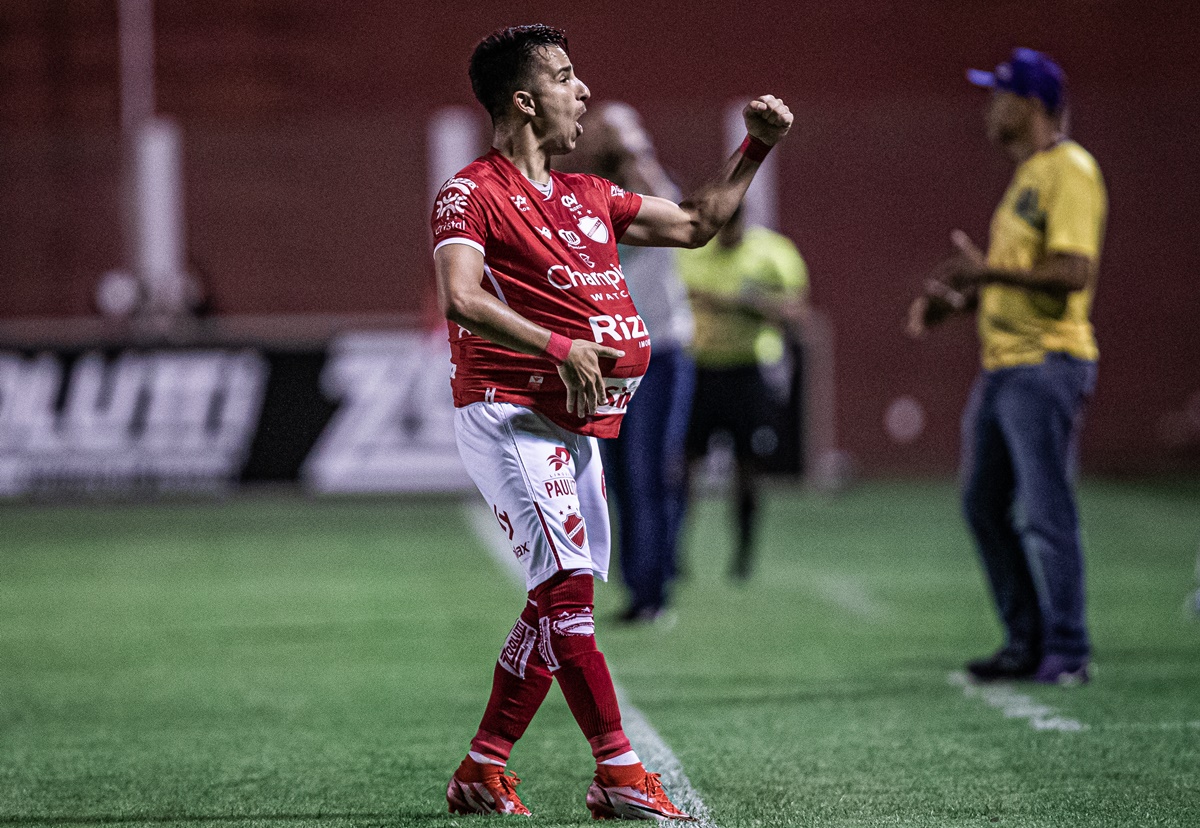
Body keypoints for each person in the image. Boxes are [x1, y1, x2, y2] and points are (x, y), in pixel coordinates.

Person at [431, 24, 791, 819]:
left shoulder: (587, 196)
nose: (583, 90)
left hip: (578, 425)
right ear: (525, 101)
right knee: (566, 597)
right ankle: (619, 771)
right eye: (565, 76)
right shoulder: (471, 192)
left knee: (554, 602)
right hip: (513, 413)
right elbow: (461, 295)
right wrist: (558, 344)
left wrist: (755, 148)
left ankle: (483, 765)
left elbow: (696, 224)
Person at [906, 48, 1107, 685]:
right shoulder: (1029, 175)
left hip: (1046, 362)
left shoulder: (1069, 169)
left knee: (1046, 510)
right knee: (984, 506)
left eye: (1000, 96)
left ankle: (1068, 649)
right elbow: (1020, 279)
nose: (991, 109)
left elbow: (1072, 274)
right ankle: (1026, 642)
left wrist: (984, 272)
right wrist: (961, 301)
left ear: (1032, 104)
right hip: (1005, 367)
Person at [568, 101, 696, 623]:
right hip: (609, 358)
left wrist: (632, 147)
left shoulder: (648, 188)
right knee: (616, 478)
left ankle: (655, 587)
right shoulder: (585, 195)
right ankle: (638, 582)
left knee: (650, 471)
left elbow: (670, 207)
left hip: (659, 350)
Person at [677, 203, 808, 579]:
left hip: (748, 368)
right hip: (700, 367)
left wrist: (741, 304)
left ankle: (744, 553)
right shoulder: (690, 253)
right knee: (684, 463)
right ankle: (675, 552)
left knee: (748, 465)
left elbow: (797, 311)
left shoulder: (772, 253)